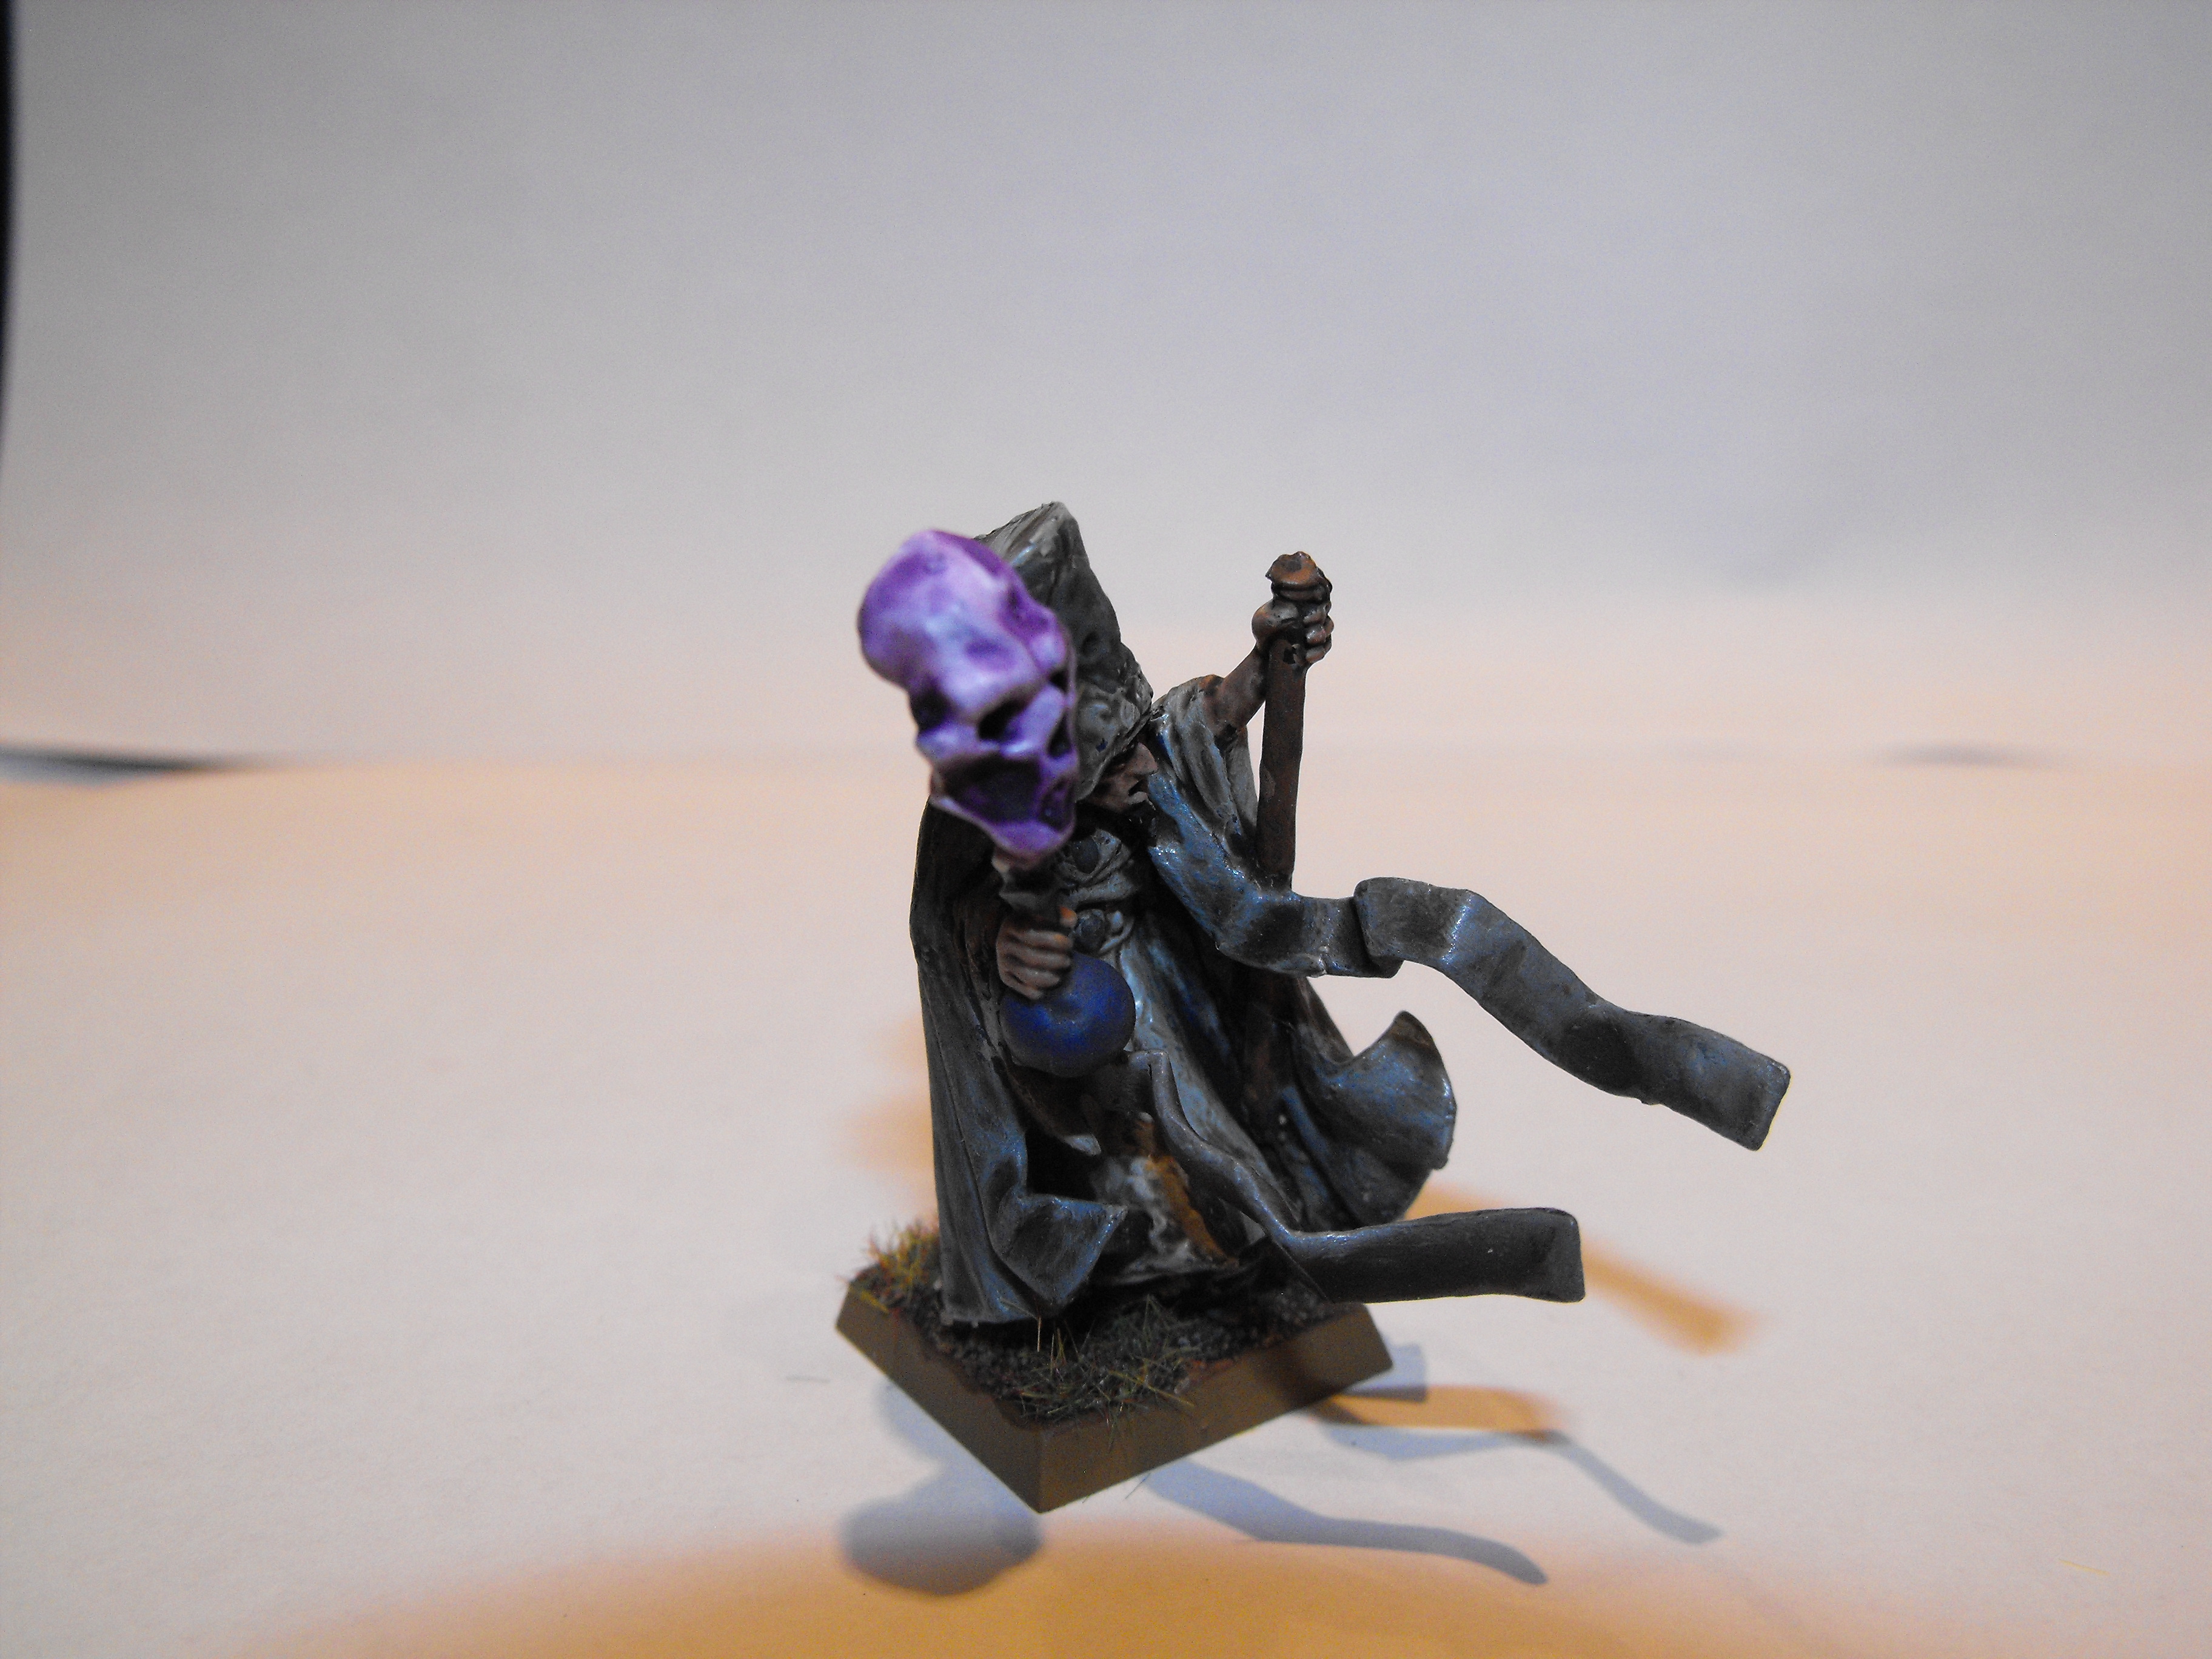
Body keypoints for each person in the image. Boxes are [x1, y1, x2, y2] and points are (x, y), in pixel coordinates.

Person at [910, 503, 1787, 1326]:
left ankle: (1670, 1067)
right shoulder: (989, 823)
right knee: (1154, 1145)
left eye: (1135, 743)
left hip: (1185, 971)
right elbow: (958, 920)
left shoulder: (1149, 744)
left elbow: (1208, 717)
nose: (1140, 769)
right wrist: (1005, 946)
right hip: (1101, 1004)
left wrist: (1274, 656)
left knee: (1228, 1110)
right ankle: (1161, 1260)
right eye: (1109, 767)